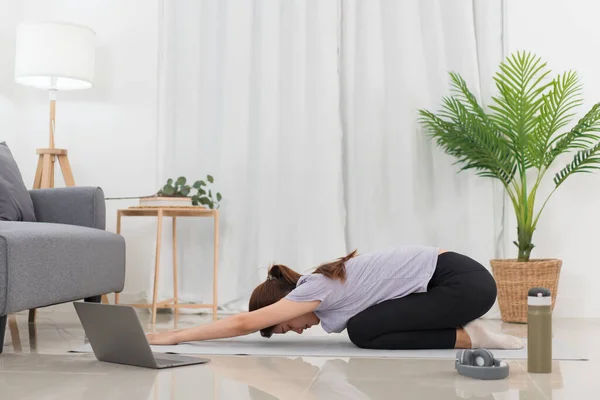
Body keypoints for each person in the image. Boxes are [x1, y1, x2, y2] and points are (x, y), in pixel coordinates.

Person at [147, 246, 523, 350]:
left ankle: (473, 338)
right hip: (458, 283)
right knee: (364, 329)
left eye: (282, 327)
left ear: (283, 304)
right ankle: (467, 334)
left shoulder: (312, 289)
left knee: (363, 331)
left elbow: (242, 323)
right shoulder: (323, 290)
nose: (294, 331)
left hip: (463, 283)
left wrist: (173, 336)